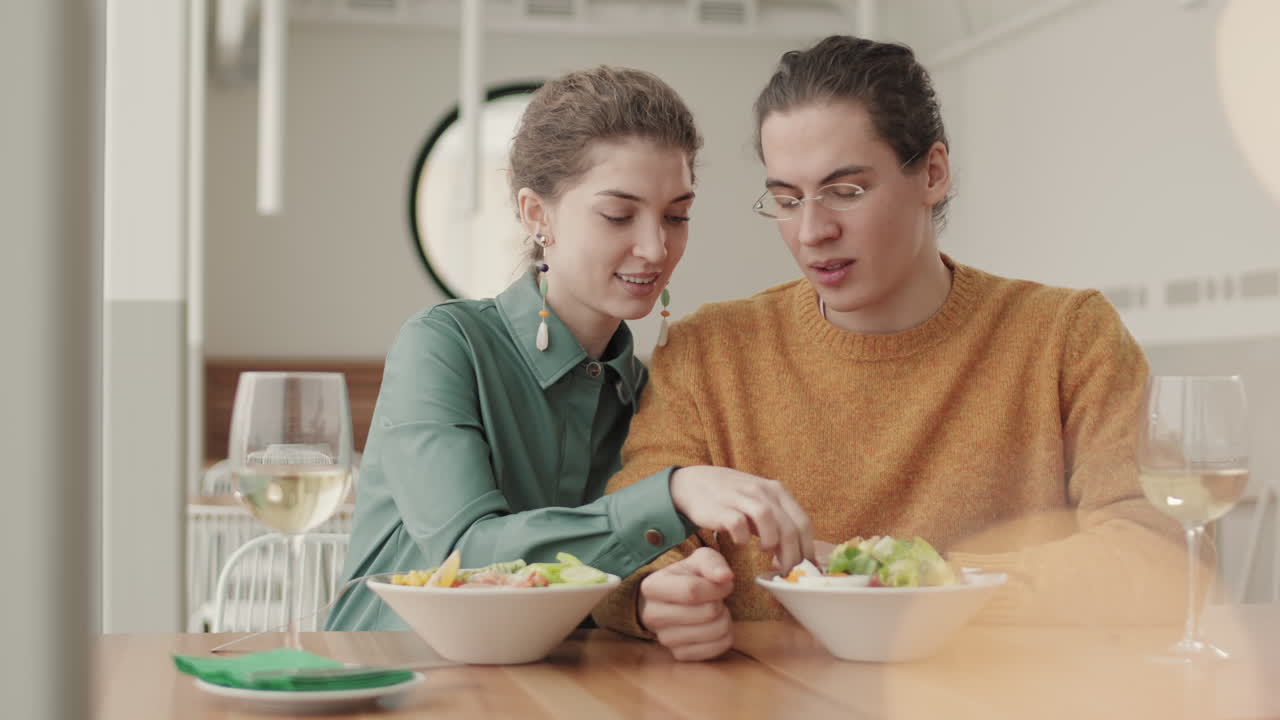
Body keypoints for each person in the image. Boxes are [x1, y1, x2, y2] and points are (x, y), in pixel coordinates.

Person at [590, 36, 1188, 660]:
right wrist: (650, 594)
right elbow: (622, 544)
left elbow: (1158, 554)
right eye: (789, 200)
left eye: (846, 191)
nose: (813, 231)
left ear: (932, 173)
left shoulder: (1068, 336)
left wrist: (909, 579)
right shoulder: (708, 350)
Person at [328, 66, 811, 631]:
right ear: (538, 215)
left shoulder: (650, 394)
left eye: (676, 216)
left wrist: (660, 588)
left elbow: (612, 580)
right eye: (618, 215)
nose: (656, 247)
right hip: (387, 682)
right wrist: (673, 493)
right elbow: (465, 559)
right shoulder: (441, 346)